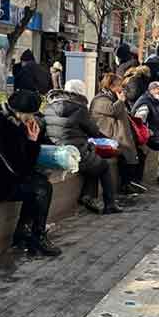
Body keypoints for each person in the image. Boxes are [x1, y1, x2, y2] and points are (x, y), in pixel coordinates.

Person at [0, 89, 61, 257]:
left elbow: (21, 160)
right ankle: (37, 238)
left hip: (1, 174)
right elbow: (19, 168)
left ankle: (23, 233)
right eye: (30, 114)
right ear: (19, 112)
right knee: (41, 188)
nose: (32, 118)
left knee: (39, 183)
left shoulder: (11, 120)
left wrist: (35, 140)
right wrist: (32, 142)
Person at [45, 79, 123, 215]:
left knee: (93, 160)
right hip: (75, 151)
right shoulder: (79, 108)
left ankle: (88, 196)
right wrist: (108, 140)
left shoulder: (50, 106)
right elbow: (93, 131)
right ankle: (109, 204)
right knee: (103, 166)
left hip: (56, 150)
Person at [90, 73, 147, 195]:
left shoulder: (114, 97)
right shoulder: (100, 99)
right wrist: (121, 101)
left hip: (118, 133)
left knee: (139, 151)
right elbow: (112, 110)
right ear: (110, 86)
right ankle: (126, 184)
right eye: (119, 85)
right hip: (108, 135)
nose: (121, 88)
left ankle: (133, 181)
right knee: (125, 153)